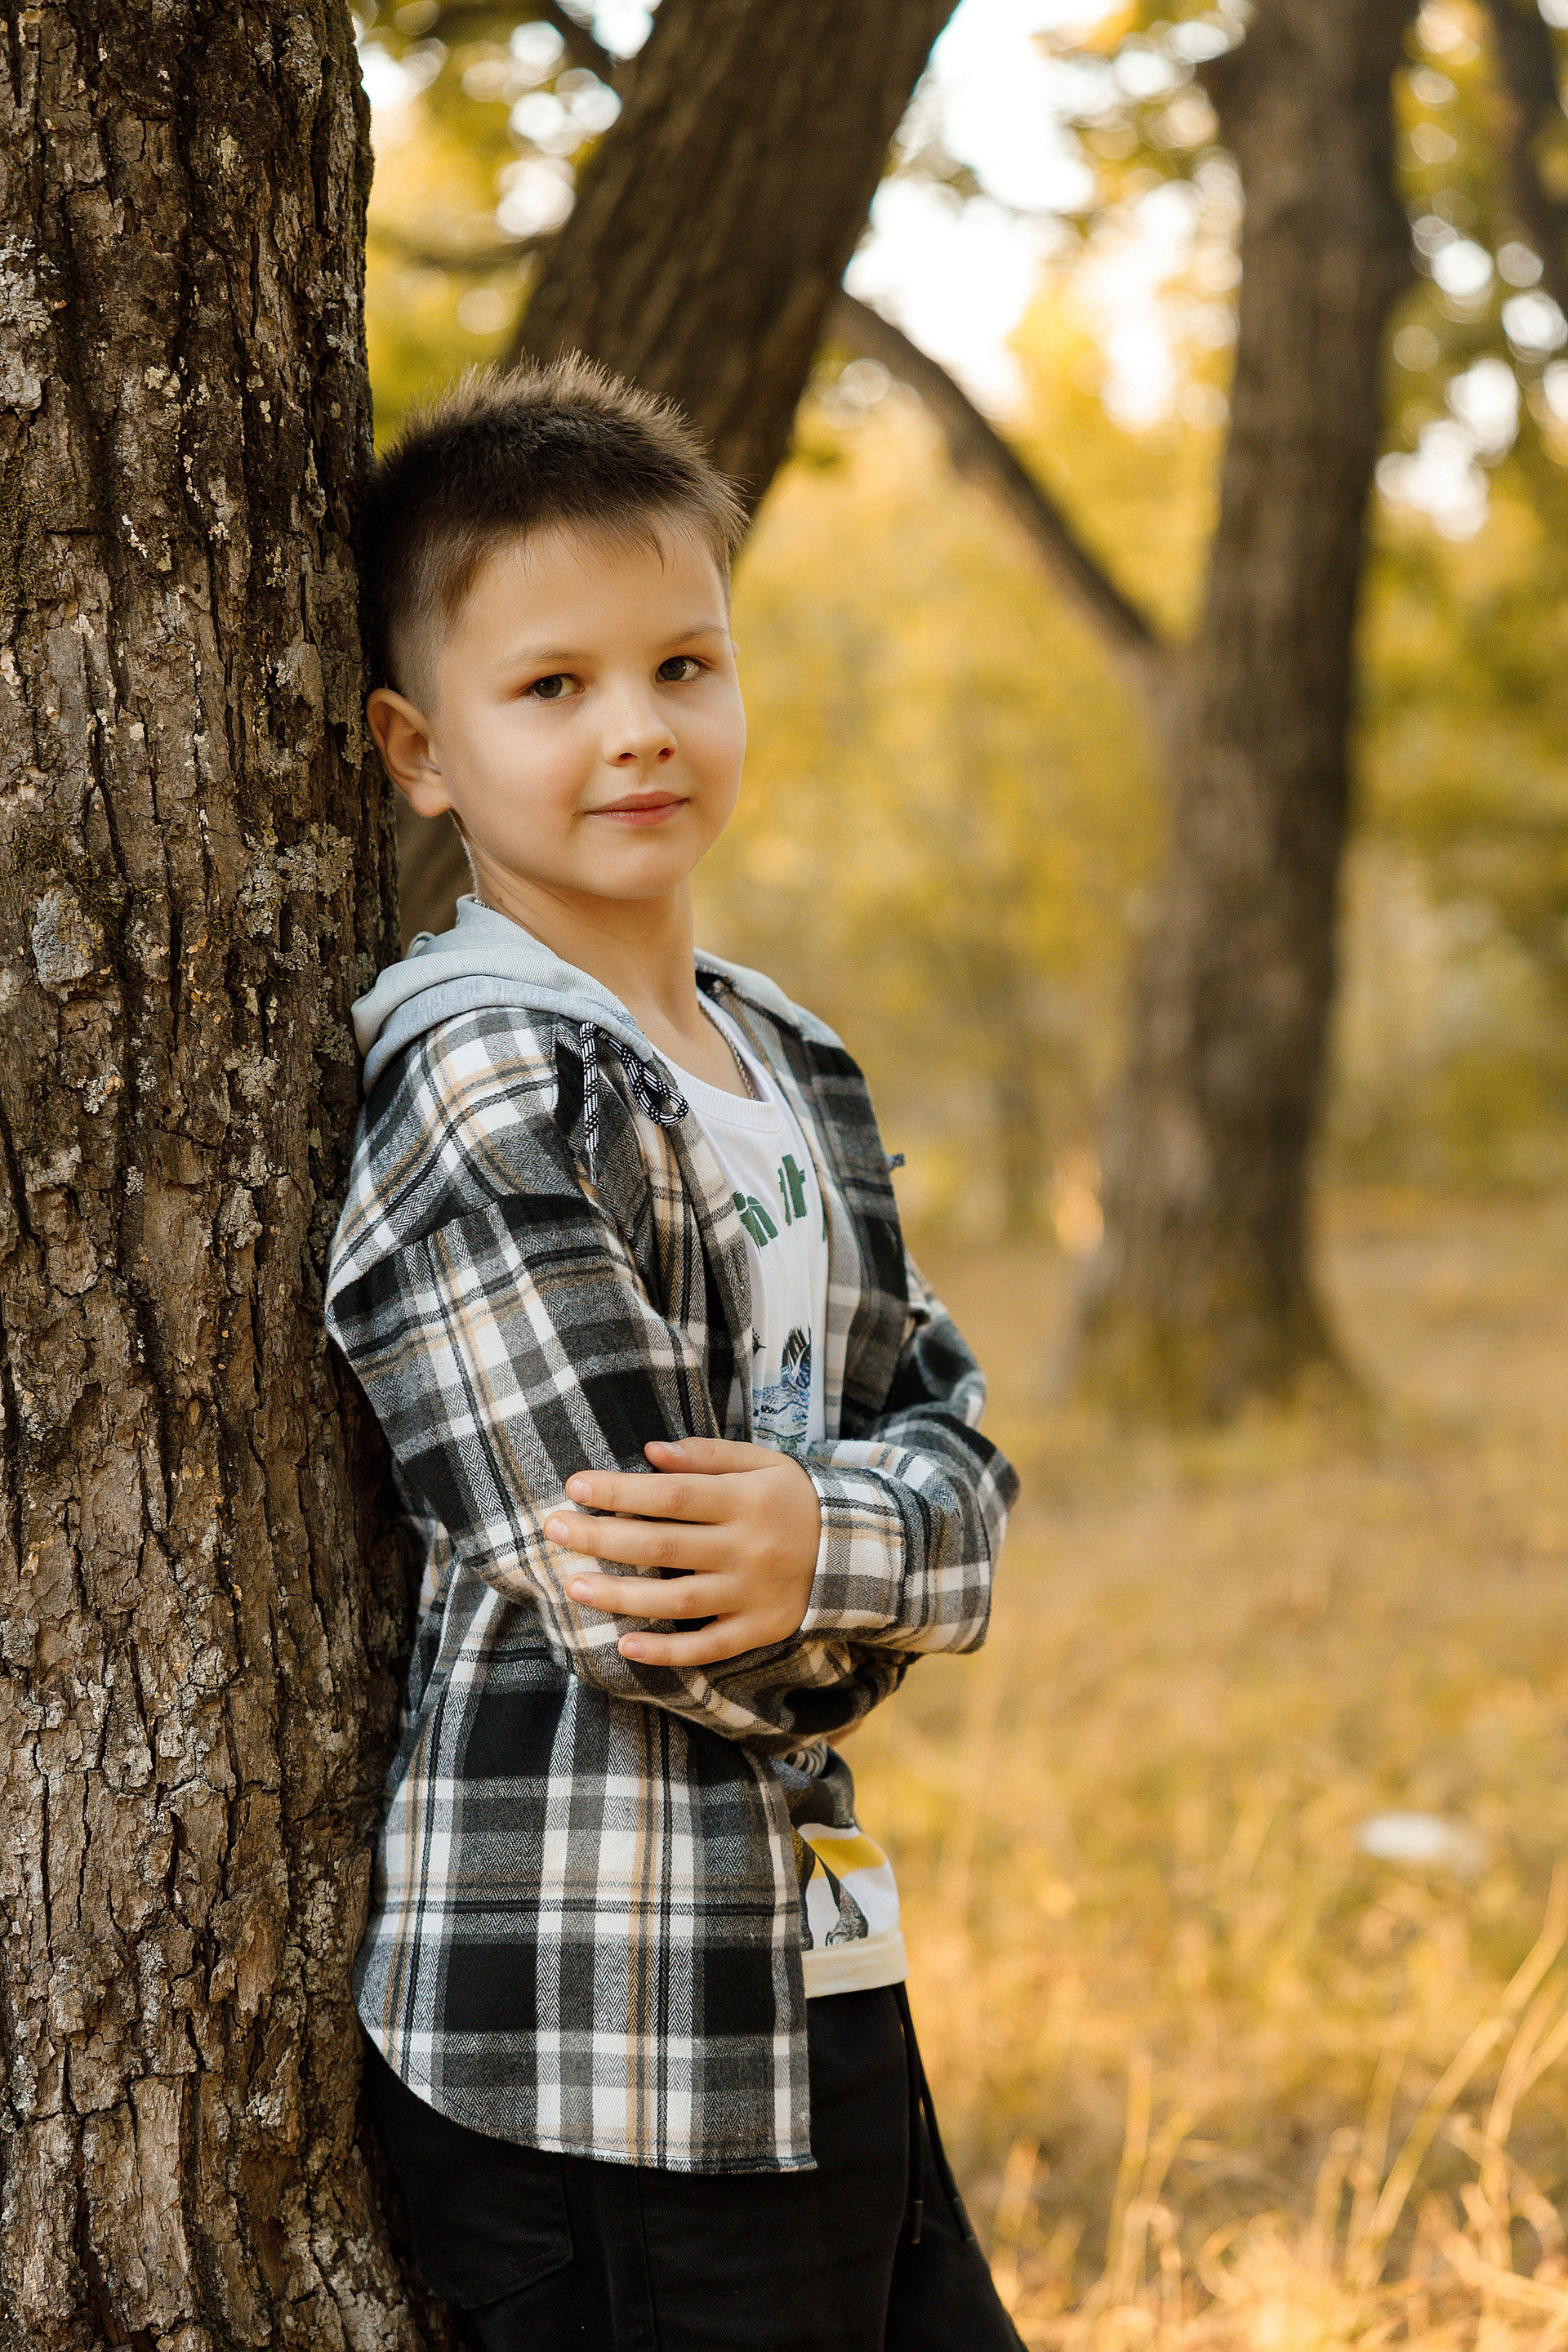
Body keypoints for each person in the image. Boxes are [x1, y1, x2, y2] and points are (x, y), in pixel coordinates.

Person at [324, 354, 1024, 2352]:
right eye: (552, 687)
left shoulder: (788, 1055)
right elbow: (650, 1604)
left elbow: (958, 1442)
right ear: (420, 750)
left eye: (682, 667)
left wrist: (821, 1543)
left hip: (808, 1976)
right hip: (592, 2046)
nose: (636, 728)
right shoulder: (482, 1078)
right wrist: (880, 1564)